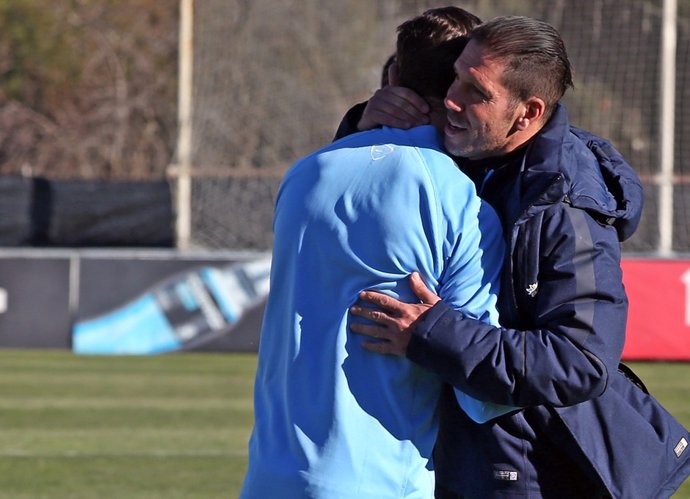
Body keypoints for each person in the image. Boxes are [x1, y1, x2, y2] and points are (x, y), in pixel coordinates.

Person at [347, 15, 690, 499]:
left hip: (540, 471)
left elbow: (579, 362)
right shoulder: (473, 151)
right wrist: (363, 130)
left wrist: (432, 333)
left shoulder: (565, 204)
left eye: (475, 90)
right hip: (470, 460)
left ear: (528, 113)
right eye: (454, 78)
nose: (450, 99)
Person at [240, 8, 508, 499]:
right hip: (380, 482)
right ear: (459, 94)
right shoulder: (459, 201)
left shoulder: (304, 173)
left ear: (392, 79)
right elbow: (483, 391)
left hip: (268, 479)